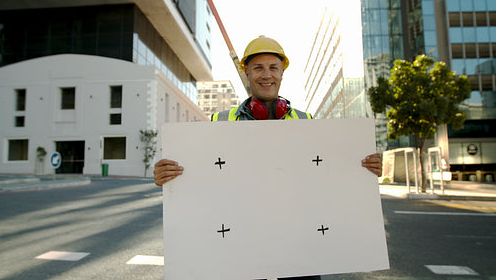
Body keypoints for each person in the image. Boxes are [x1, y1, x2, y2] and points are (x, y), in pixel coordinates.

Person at [154, 36, 382, 280]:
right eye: (258, 68)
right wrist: (169, 177)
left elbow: (325, 174)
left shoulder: (306, 122)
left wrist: (361, 170)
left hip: (299, 240)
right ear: (247, 73)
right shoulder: (220, 122)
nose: (266, 75)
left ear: (282, 72)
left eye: (273, 68)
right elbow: (205, 179)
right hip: (240, 241)